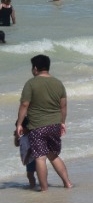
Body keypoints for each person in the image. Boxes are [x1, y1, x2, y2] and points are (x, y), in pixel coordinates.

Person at [15, 54, 72, 191]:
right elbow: (63, 106)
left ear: (35, 68)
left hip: (37, 126)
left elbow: (24, 105)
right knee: (53, 155)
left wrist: (19, 124)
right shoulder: (58, 83)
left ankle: (44, 189)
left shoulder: (31, 83)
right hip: (54, 125)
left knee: (40, 158)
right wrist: (62, 122)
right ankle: (67, 183)